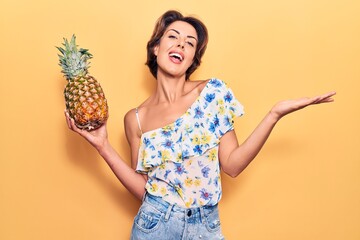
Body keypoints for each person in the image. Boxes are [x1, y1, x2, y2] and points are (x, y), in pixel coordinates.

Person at [65, 10, 335, 240]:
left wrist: (274, 114)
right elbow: (144, 190)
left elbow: (232, 165)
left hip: (206, 226)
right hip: (155, 225)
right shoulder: (135, 118)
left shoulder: (212, 94)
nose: (181, 44)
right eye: (173, 36)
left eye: (190, 43)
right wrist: (102, 146)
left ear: (193, 59)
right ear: (156, 47)